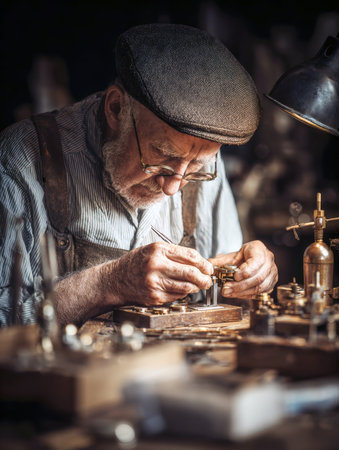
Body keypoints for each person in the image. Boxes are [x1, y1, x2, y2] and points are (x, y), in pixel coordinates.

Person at [0, 24, 278, 327]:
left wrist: (250, 279)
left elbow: (223, 298)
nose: (174, 187)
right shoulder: (21, 159)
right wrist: (108, 284)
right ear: (116, 108)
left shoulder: (200, 153)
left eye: (196, 167)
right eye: (162, 157)